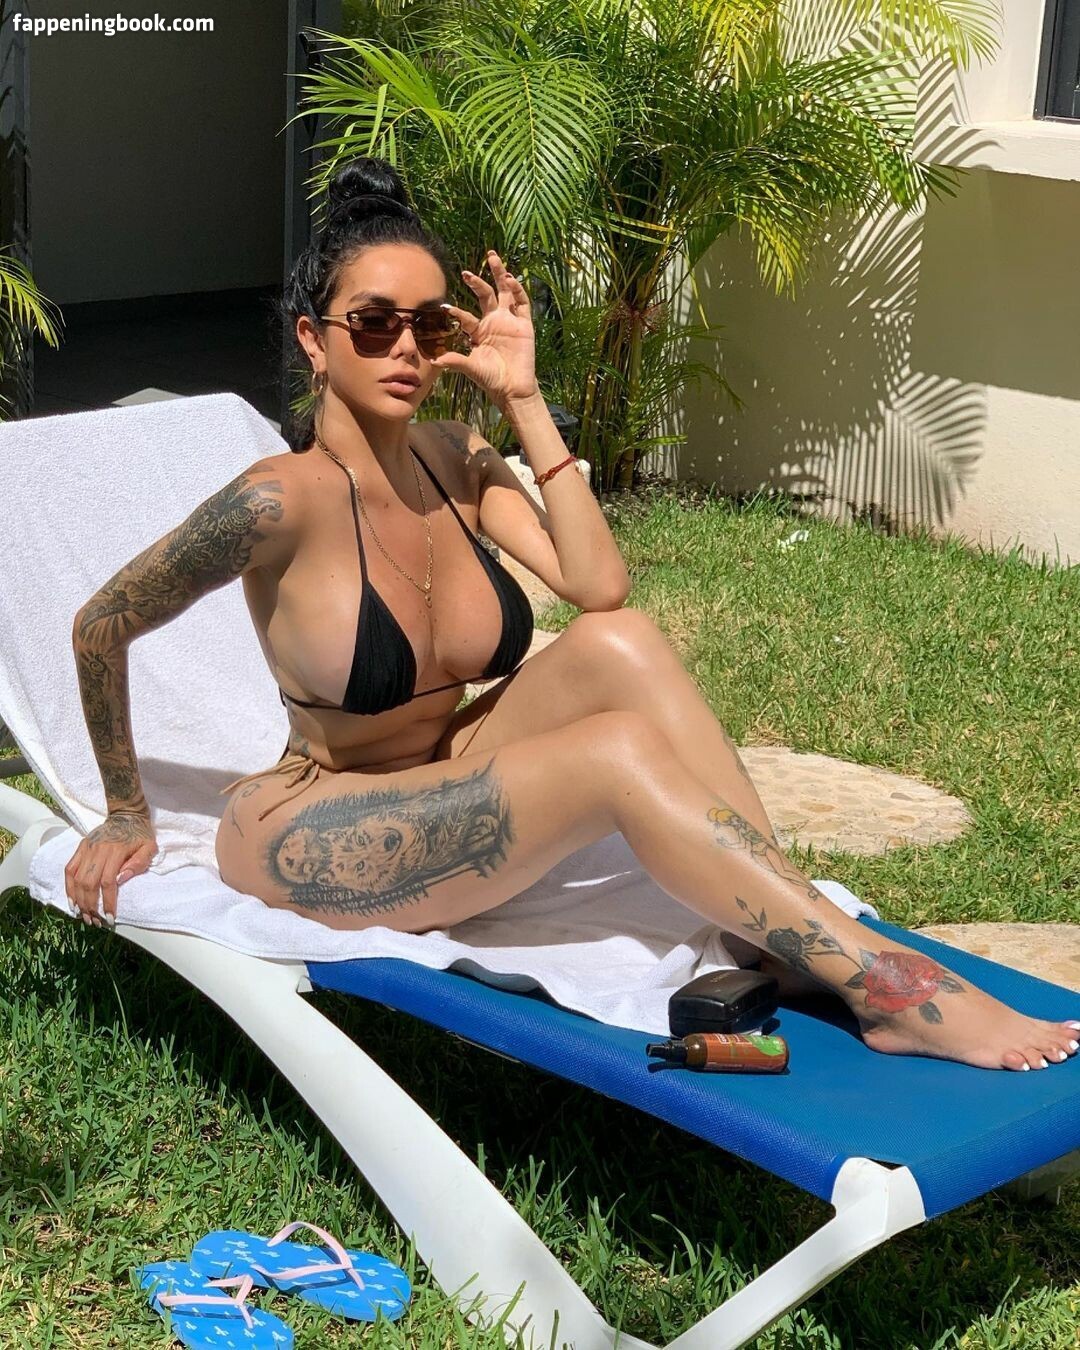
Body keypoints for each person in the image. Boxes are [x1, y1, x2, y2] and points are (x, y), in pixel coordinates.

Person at [65, 157, 1078, 1073]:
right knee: (613, 755)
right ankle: (884, 987)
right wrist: (125, 810)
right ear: (313, 341)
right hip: (314, 823)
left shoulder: (456, 458)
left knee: (620, 644)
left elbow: (599, 588)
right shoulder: (274, 502)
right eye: (373, 323)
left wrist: (524, 396)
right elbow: (100, 624)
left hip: (445, 771)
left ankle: (774, 928)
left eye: (431, 326)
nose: (405, 347)